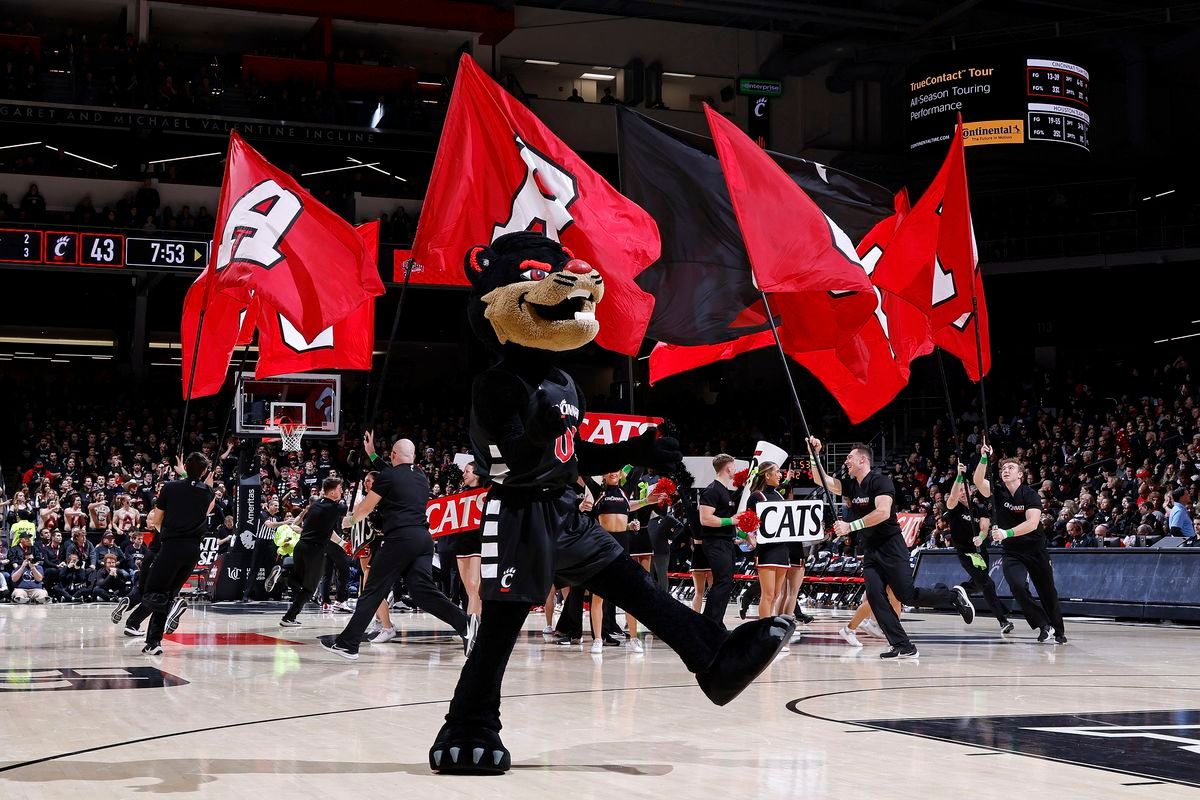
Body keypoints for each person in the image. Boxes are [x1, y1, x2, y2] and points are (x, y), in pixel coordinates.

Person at [807, 437, 975, 659]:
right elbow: (822, 480)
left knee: (908, 596)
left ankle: (953, 595)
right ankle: (903, 645)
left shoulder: (880, 482)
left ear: (863, 460)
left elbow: (883, 512)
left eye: (849, 457)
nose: (845, 461)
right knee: (875, 598)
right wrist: (813, 454)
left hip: (891, 547)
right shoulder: (850, 485)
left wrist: (851, 526)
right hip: (871, 550)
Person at [320, 435, 468, 660]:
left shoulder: (388, 476)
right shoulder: (421, 475)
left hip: (400, 539)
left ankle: (348, 644)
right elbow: (391, 472)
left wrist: (348, 521)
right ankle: (466, 624)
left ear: (393, 455)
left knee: (372, 590)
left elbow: (367, 508)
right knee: (423, 593)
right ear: (414, 457)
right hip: (423, 540)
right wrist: (371, 454)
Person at [975, 444, 1066, 644]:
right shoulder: (997, 491)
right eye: (1003, 469)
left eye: (1010, 468)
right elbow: (977, 481)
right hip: (1012, 552)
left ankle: (1058, 631)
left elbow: (1033, 524)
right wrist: (983, 458)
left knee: (1047, 591)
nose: (1005, 470)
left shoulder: (1030, 494)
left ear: (1021, 475)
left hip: (1035, 549)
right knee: (1016, 586)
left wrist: (1006, 532)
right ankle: (1043, 624)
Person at [139, 453, 215, 656]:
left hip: (171, 546)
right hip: (192, 550)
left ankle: (170, 609)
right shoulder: (208, 492)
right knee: (167, 593)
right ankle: (153, 642)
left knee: (151, 591)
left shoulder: (170, 487)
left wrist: (164, 531)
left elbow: (157, 519)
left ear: (186, 467)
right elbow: (197, 490)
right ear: (205, 471)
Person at [945, 462, 1013, 633]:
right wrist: (960, 476)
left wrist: (981, 538)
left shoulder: (979, 507)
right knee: (987, 583)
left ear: (970, 490)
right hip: (966, 552)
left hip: (980, 550)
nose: (960, 493)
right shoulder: (954, 507)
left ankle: (957, 593)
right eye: (959, 489)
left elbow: (985, 527)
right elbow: (952, 497)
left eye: (963, 489)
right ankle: (1003, 620)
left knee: (979, 584)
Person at [280, 477, 345, 627]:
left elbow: (327, 531)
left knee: (299, 581)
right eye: (340, 489)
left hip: (301, 546)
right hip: (314, 551)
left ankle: (286, 575)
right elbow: (349, 516)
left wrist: (341, 543)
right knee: (309, 589)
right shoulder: (335, 507)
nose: (342, 491)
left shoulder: (315, 505)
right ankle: (288, 618)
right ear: (334, 492)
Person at [697, 454, 739, 627]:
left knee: (726, 582)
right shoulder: (712, 490)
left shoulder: (724, 490)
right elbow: (705, 519)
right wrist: (731, 521)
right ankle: (709, 623)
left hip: (725, 542)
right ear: (728, 468)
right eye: (733, 466)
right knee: (722, 582)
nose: (735, 470)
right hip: (715, 543)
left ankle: (715, 622)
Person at [453, 462, 488, 635]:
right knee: (468, 589)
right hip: (461, 543)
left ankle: (471, 628)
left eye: (467, 471)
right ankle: (477, 626)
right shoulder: (459, 494)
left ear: (477, 474)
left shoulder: (486, 493)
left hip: (478, 543)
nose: (464, 474)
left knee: (475, 586)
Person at [9, 527, 48, 604]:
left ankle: (39, 598)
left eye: (29, 538)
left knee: (42, 593)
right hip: (19, 568)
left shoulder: (34, 548)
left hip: (33, 568)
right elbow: (12, 560)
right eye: (26, 538)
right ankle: (21, 598)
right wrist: (21, 566)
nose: (29, 539)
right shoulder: (14, 549)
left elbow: (39, 559)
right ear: (21, 540)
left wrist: (33, 566)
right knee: (19, 593)